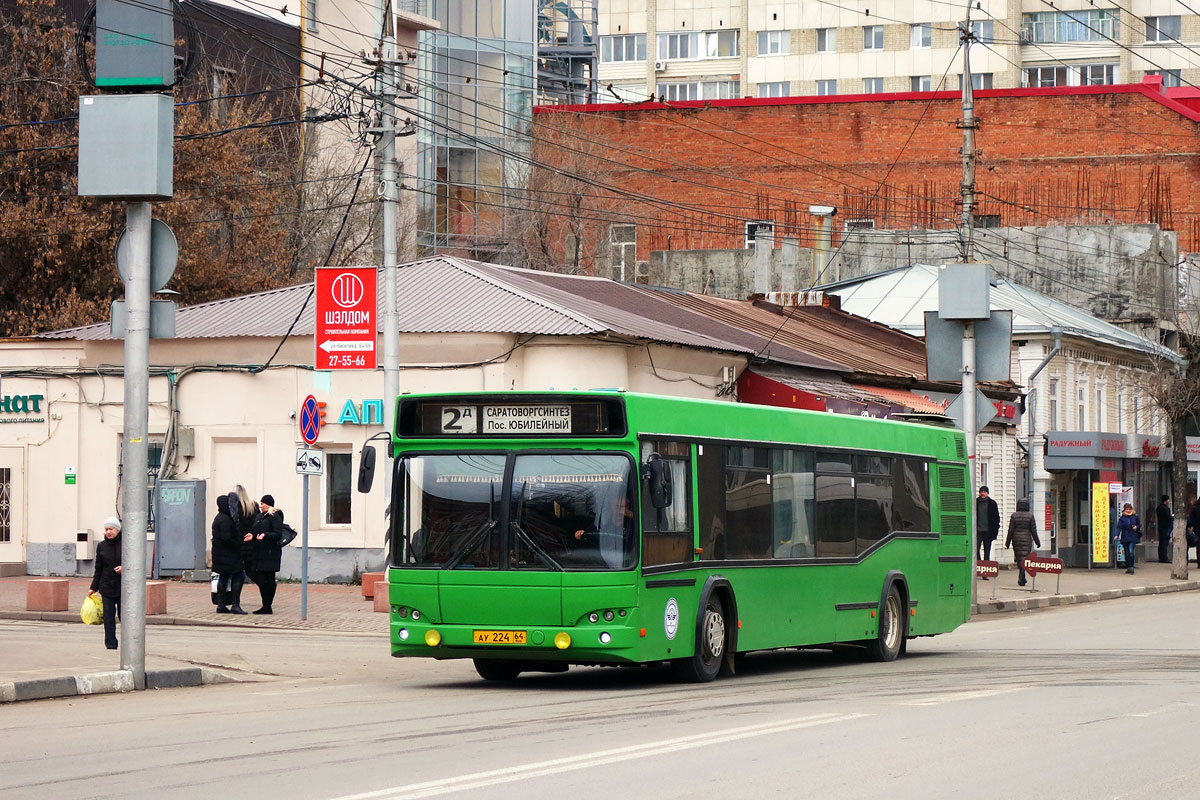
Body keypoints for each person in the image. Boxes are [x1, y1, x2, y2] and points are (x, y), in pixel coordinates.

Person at [88, 517, 123, 650]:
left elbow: (134, 562)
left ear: (117, 530)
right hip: (106, 587)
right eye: (106, 529)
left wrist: (124, 568)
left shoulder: (126, 543)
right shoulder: (101, 546)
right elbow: (98, 568)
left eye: (111, 529)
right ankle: (111, 645)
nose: (108, 532)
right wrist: (93, 587)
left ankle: (128, 645)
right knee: (108, 619)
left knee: (124, 617)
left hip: (122, 588)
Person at [211, 493, 248, 614]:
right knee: (239, 576)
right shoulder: (225, 519)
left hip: (220, 554)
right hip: (228, 555)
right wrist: (240, 543)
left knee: (224, 577)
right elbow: (227, 538)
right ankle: (235, 604)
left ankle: (221, 605)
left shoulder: (219, 517)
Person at [249, 494, 284, 615]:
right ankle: (266, 605)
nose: (260, 505)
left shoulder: (274, 516)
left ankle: (267, 605)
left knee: (268, 579)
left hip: (270, 553)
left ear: (268, 504)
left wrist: (266, 535)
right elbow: (255, 531)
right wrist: (252, 536)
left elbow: (277, 534)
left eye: (262, 503)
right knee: (260, 577)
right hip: (259, 552)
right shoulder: (260, 516)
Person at [1005, 498, 1041, 587]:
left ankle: (1022, 576)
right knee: (1025, 558)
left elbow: (1011, 530)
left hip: (1016, 538)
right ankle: (1022, 575)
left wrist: (1007, 542)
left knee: (1019, 557)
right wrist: (1037, 542)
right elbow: (1033, 530)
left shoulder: (1014, 516)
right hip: (1027, 539)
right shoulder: (1030, 516)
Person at [976, 485, 1001, 577]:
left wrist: (995, 530)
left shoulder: (992, 504)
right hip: (978, 531)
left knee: (987, 551)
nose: (982, 493)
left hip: (988, 531)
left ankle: (985, 572)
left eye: (984, 492)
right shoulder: (976, 503)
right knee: (976, 550)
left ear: (987, 493)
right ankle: (979, 567)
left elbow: (996, 518)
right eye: (981, 492)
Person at [1116, 502, 1142, 575]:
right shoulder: (1122, 518)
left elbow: (1139, 525)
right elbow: (1119, 527)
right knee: (1127, 553)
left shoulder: (1135, 517)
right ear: (1124, 510)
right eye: (1127, 509)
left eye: (1129, 509)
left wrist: (1136, 527)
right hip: (1125, 537)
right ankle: (1128, 566)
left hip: (1133, 536)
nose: (1128, 510)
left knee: (1131, 551)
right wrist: (1116, 535)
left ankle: (1131, 567)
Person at [1156, 495, 1173, 563]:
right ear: (1166, 500)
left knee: (1161, 543)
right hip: (1165, 527)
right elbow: (1168, 517)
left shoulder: (1159, 508)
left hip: (1161, 526)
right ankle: (1164, 558)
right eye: (1168, 500)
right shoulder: (1165, 508)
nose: (1169, 501)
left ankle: (1161, 557)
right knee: (1164, 543)